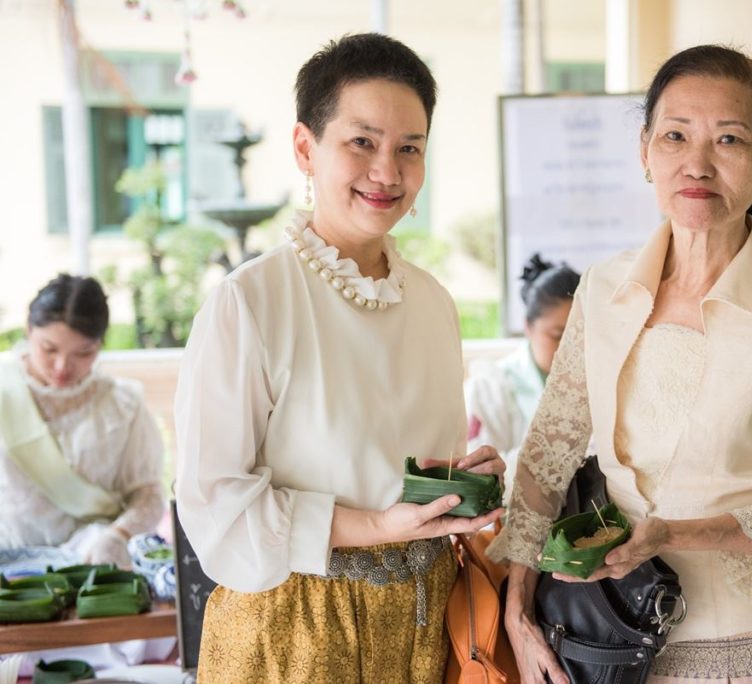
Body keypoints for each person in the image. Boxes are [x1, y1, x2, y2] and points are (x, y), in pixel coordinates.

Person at [488, 45, 752, 684]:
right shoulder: (602, 288)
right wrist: (519, 605)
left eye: (728, 139)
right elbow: (550, 450)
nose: (697, 163)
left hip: (747, 643)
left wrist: (670, 533)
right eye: (675, 136)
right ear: (645, 151)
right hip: (600, 631)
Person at [174, 33, 505, 684]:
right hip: (293, 628)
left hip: (425, 620)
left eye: (409, 148)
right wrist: (379, 524)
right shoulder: (249, 302)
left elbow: (413, 467)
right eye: (362, 142)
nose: (388, 171)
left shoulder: (434, 301)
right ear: (305, 147)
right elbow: (215, 502)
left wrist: (466, 484)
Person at [0, 274, 165, 569]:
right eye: (49, 349)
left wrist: (118, 534)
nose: (62, 367)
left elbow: (149, 493)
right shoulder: (5, 390)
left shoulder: (121, 405)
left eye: (83, 353)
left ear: (100, 345)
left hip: (92, 568)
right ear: (28, 330)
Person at [464, 253, 580, 497]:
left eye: (580, 335)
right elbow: (477, 479)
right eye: (557, 335)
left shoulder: (603, 382)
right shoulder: (491, 386)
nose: (570, 347)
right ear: (528, 326)